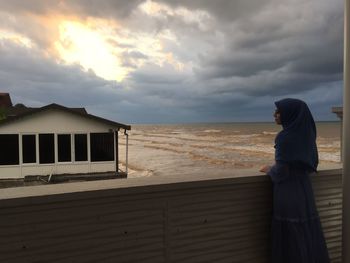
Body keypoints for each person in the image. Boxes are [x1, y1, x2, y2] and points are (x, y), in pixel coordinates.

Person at [260, 98, 330, 263]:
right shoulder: (306, 135)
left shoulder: (284, 137)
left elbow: (281, 172)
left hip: (288, 192)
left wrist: (269, 169)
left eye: (278, 112)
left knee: (291, 234)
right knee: (305, 232)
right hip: (304, 189)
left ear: (290, 114)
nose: (274, 114)